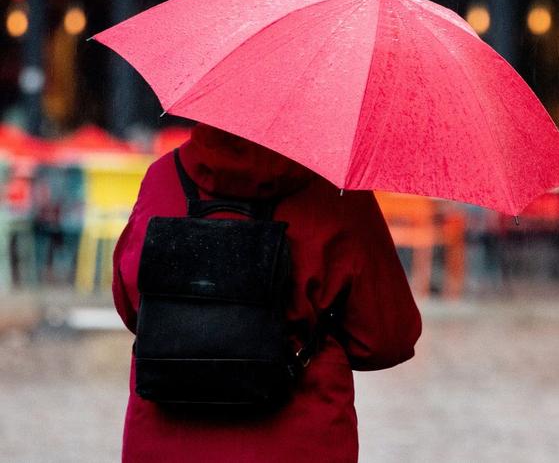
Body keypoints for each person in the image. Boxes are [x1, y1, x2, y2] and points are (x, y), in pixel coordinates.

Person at [112, 123, 422, 463]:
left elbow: (131, 306)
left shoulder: (162, 177)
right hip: (300, 441)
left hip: (164, 441)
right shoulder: (335, 195)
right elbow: (385, 338)